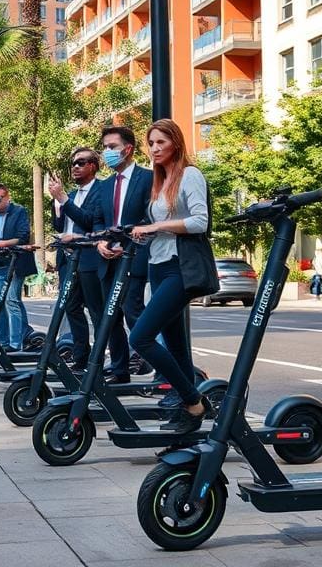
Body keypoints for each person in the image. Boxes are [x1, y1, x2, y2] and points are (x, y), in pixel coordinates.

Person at [128, 119, 209, 433]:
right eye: (151, 143)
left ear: (176, 142)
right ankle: (186, 408)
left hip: (180, 267)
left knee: (141, 337)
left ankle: (193, 400)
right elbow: (160, 225)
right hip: (157, 266)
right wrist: (144, 235)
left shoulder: (190, 175)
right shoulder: (159, 182)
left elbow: (200, 221)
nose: (154, 149)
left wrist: (156, 226)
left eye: (161, 142)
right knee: (176, 346)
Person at [91, 126, 153, 385]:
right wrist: (100, 241)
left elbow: (153, 217)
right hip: (108, 261)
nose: (107, 153)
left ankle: (150, 359)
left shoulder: (148, 178)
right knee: (110, 316)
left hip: (135, 256)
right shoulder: (104, 186)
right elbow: (97, 220)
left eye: (112, 147)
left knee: (133, 312)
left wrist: (132, 240)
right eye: (104, 147)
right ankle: (119, 370)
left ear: (127, 149)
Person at [48, 147, 102, 371]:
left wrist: (63, 198)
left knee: (97, 311)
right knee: (71, 308)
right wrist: (57, 202)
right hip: (68, 261)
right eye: (73, 164)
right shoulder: (70, 193)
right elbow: (60, 225)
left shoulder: (101, 190)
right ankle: (81, 357)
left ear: (93, 166)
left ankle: (98, 360)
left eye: (81, 162)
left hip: (89, 259)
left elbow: (89, 222)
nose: (75, 167)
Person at [0, 184, 37, 351]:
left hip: (15, 262)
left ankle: (16, 344)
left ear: (7, 197)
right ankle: (2, 341)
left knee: (11, 301)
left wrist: (3, 244)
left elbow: (23, 236)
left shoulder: (19, 211)